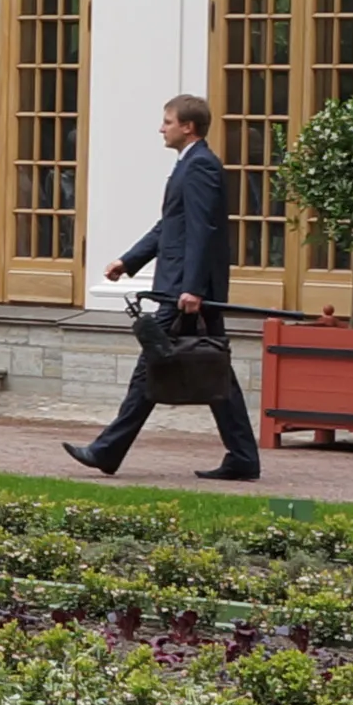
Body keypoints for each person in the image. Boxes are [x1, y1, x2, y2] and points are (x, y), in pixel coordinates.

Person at [70, 91, 262, 481]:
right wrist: (129, 261)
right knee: (212, 368)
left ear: (187, 126)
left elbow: (203, 231)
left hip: (186, 292)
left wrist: (192, 288)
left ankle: (108, 449)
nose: (161, 128)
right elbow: (171, 227)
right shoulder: (188, 165)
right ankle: (242, 456)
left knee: (157, 363)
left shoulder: (200, 167)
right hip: (182, 288)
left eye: (167, 121)